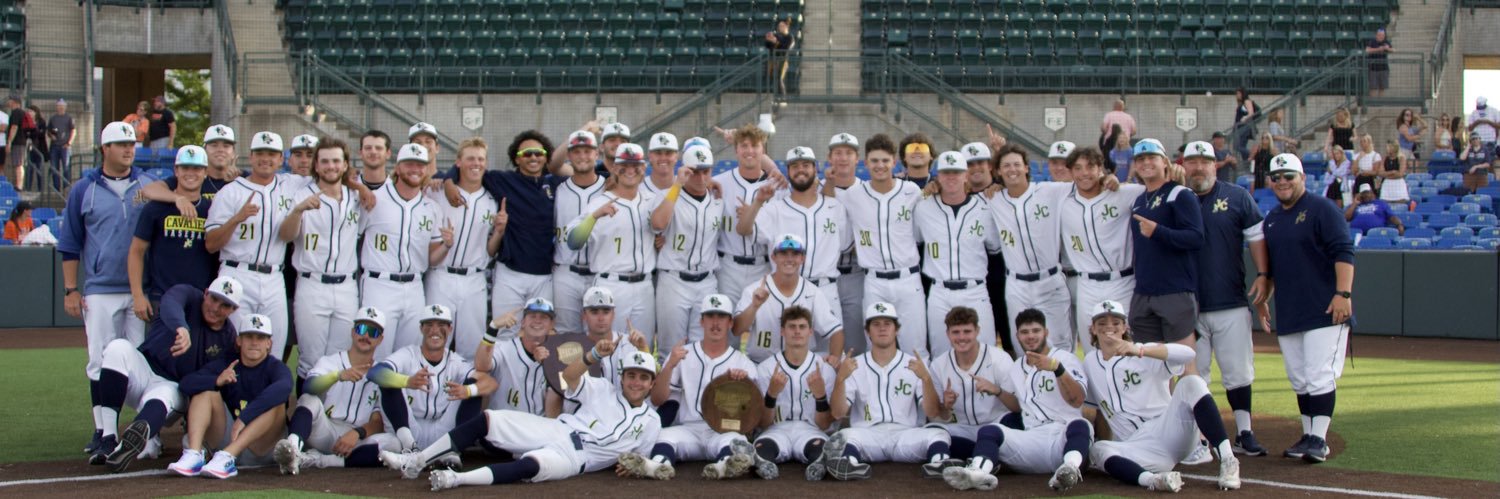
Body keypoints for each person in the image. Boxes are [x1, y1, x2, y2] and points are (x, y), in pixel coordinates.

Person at [379, 337, 661, 491]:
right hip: (559, 429)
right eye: (631, 375)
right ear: (622, 377)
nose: (636, 382)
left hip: (577, 458)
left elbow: (647, 460)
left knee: (531, 466)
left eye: (644, 378)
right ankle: (417, 460)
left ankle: (457, 480)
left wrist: (638, 465)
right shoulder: (603, 388)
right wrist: (593, 356)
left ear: (651, 383)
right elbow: (568, 379)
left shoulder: (651, 421)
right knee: (490, 420)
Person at [1079, 301, 1243, 493]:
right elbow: (1097, 410)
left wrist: (1140, 350)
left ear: (1125, 327)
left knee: (1192, 383)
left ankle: (1228, 460)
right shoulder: (1090, 362)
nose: (1109, 327)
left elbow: (1187, 354)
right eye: (1102, 322)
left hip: (1169, 431)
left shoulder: (1144, 351)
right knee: (1099, 449)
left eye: (1116, 322)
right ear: (1092, 328)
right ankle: (1155, 480)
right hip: (1139, 449)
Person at [60, 122, 154, 456]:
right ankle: (103, 431)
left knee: (141, 361)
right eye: (120, 144)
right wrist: (71, 289)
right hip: (101, 288)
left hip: (141, 289)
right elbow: (70, 243)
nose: (128, 149)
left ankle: (147, 433)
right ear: (105, 149)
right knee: (99, 360)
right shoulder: (84, 189)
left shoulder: (149, 184)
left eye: (131, 144)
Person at [1261, 153, 1355, 464]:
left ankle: (1320, 439)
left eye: (1289, 176)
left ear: (1302, 177)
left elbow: (1344, 251)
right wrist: (1263, 302)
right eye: (1277, 178)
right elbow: (1273, 268)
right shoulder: (1272, 218)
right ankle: (1308, 434)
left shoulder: (1322, 208)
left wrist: (1343, 293)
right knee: (1300, 378)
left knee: (1319, 376)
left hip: (1324, 309)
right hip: (1290, 310)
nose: (1283, 182)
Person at [95, 277, 242, 471]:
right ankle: (109, 438)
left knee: (163, 397)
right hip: (144, 368)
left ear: (233, 310)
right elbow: (169, 304)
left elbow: (193, 382)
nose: (216, 307)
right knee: (117, 348)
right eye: (214, 299)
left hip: (174, 387)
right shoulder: (189, 294)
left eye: (225, 305)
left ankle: (127, 446)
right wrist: (181, 327)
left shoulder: (227, 338)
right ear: (205, 293)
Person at [1183, 140, 1273, 457]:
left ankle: (1244, 432)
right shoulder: (1176, 197)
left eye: (1204, 161)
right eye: (1191, 162)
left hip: (1230, 300)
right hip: (1187, 306)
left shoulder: (1236, 196)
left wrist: (1263, 274)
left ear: (1215, 164)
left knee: (1238, 372)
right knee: (1196, 375)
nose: (1198, 168)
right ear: (1184, 166)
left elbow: (1257, 236)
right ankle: (1202, 436)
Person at [940, 309, 1091, 492]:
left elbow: (1077, 400)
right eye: (1025, 332)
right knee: (991, 430)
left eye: (1036, 330)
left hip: (1063, 438)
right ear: (1017, 336)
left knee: (1081, 424)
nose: (1030, 336)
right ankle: (978, 473)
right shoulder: (1018, 366)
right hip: (1031, 438)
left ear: (1046, 332)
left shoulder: (1064, 359)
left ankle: (1069, 469)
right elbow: (1017, 407)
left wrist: (1057, 369)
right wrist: (997, 391)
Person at [617, 294, 761, 481]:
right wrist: (669, 366)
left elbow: (752, 416)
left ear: (730, 322)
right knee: (663, 436)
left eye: (721, 317)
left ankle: (723, 465)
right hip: (689, 430)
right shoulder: (683, 354)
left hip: (723, 432)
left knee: (737, 441)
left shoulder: (743, 364)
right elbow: (657, 399)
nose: (715, 323)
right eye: (710, 316)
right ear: (701, 321)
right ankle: (658, 466)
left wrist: (744, 385)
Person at [444, 130, 566, 335]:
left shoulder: (557, 184)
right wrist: (447, 182)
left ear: (546, 157)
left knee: (540, 336)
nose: (533, 157)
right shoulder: (501, 180)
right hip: (510, 274)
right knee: (505, 334)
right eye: (526, 154)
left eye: (538, 153)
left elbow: (588, 174)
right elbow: (468, 168)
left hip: (544, 276)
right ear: (516, 159)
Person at [821, 302, 959, 481]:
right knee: (845, 436)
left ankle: (939, 463)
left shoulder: (914, 364)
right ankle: (849, 463)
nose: (882, 329)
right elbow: (838, 413)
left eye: (887, 324)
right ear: (867, 331)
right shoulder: (854, 365)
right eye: (876, 324)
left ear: (897, 329)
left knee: (938, 432)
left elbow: (932, 412)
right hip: (868, 436)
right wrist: (840, 379)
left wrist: (926, 379)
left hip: (905, 436)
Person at [203, 132, 310, 358]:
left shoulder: (292, 185)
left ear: (281, 159)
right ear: (250, 157)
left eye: (271, 154)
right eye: (260, 153)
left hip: (273, 277)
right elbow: (211, 244)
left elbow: (333, 175)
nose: (265, 159)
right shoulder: (230, 191)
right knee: (234, 348)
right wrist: (236, 219)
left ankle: (271, 394)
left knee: (275, 347)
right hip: (236, 273)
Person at [738, 145, 853, 355]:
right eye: (795, 166)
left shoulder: (834, 206)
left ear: (815, 169)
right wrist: (757, 203)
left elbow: (846, 245)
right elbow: (745, 230)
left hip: (826, 288)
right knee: (786, 354)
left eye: (806, 165)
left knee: (834, 355)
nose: (801, 170)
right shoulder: (775, 208)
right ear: (788, 172)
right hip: (788, 290)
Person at [272, 307, 398, 475]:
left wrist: (356, 433)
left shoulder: (381, 372)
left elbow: (377, 421)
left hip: (357, 440)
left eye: (373, 332)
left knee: (394, 443)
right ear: (353, 332)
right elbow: (308, 387)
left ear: (380, 339)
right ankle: (292, 451)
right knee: (308, 399)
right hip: (326, 430)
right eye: (361, 329)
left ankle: (319, 461)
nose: (366, 336)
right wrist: (337, 376)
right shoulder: (331, 362)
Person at [278, 138, 364, 380]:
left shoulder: (355, 197)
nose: (331, 166)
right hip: (311, 283)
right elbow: (285, 236)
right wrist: (298, 211)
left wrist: (363, 189)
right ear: (316, 165)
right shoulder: (301, 195)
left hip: (347, 286)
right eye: (324, 161)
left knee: (340, 359)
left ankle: (331, 417)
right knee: (310, 360)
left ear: (345, 165)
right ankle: (305, 416)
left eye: (336, 161)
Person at [168, 314, 291, 479]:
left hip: (262, 446)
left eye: (260, 338)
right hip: (227, 438)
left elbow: (284, 388)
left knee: (277, 404)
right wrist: (216, 381)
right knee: (206, 390)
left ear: (269, 343)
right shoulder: (228, 364)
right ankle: (194, 454)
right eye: (249, 337)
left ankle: (228, 456)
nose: (254, 342)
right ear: (239, 341)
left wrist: (245, 418)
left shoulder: (276, 367)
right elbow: (186, 384)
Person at [986, 144, 1078, 356]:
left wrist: (1107, 179)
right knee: (1023, 348)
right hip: (1017, 285)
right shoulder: (993, 199)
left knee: (1061, 348)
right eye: (1006, 165)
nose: (1012, 169)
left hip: (1051, 280)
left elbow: (1086, 182)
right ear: (998, 171)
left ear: (1027, 168)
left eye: (1017, 164)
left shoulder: (1050, 191)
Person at [361, 144, 450, 357]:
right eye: (409, 164)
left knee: (408, 356)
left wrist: (446, 246)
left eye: (421, 165)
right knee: (375, 353)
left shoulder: (431, 207)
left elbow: (431, 259)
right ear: (398, 168)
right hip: (379, 284)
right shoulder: (374, 199)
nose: (415, 169)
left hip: (414, 287)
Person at [565, 143, 663, 338]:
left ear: (643, 168)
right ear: (615, 169)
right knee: (606, 349)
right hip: (611, 285)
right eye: (624, 165)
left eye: (635, 165)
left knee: (641, 348)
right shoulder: (600, 202)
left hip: (644, 286)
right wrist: (594, 217)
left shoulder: (651, 200)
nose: (630, 170)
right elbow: (573, 242)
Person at [839, 134, 924, 354]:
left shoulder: (911, 192)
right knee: (875, 348)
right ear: (865, 163)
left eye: (885, 160)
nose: (880, 165)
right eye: (874, 161)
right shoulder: (853, 195)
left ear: (894, 162)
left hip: (908, 278)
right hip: (874, 281)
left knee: (915, 349)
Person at [369, 304, 494, 454]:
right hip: (409, 426)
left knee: (474, 388)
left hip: (444, 431)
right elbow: (375, 373)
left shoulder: (456, 361)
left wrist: (467, 390)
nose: (435, 330)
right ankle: (410, 447)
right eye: (429, 325)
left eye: (441, 325)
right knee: (389, 380)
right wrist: (407, 381)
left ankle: (454, 450)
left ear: (450, 329)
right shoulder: (408, 354)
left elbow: (489, 382)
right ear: (421, 328)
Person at [914, 151, 1001, 356]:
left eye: (957, 172)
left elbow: (994, 249)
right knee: (941, 355)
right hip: (939, 291)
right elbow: (916, 240)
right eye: (946, 173)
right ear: (938, 177)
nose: (951, 177)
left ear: (966, 175)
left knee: (985, 353)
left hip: (975, 289)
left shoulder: (985, 208)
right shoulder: (922, 208)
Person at [1059, 146, 1145, 354]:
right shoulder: (1061, 201)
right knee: (1092, 351)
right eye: (1077, 168)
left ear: (1101, 169)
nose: (1084, 173)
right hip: (1087, 285)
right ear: (1070, 173)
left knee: (1128, 347)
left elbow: (1155, 190)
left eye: (1090, 167)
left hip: (1123, 281)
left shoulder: (1123, 193)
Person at [425, 137, 504, 354]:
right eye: (470, 158)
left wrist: (499, 231)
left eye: (480, 159)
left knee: (470, 347)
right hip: (440, 276)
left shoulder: (492, 199)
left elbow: (490, 250)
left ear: (486, 164)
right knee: (433, 340)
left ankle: (466, 388)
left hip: (475, 279)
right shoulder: (437, 191)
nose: (475, 163)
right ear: (458, 162)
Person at [1128, 139, 1205, 359]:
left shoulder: (1180, 194)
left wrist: (1159, 231)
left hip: (1175, 290)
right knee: (1152, 370)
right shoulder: (1139, 200)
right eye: (1140, 159)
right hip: (1144, 291)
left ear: (1165, 162)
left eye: (1152, 157)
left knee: (1184, 365)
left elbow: (1196, 237)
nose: (1146, 163)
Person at [128, 146, 217, 326]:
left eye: (197, 168)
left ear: (205, 172)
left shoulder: (213, 209)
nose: (190, 173)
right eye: (185, 168)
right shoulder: (156, 207)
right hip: (162, 296)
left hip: (201, 298)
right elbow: (136, 251)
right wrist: (137, 295)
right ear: (176, 170)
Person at [923, 307, 1017, 472]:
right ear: (948, 334)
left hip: (997, 426)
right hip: (964, 430)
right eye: (956, 332)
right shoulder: (939, 365)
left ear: (977, 331)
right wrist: (946, 406)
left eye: (967, 331)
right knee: (931, 431)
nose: (961, 337)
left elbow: (1019, 407)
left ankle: (979, 458)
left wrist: (997, 391)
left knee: (1013, 423)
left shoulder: (999, 358)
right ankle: (942, 463)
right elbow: (939, 416)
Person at [751, 306, 837, 481]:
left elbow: (824, 425)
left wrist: (820, 396)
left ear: (810, 331)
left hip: (811, 430)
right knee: (762, 447)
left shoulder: (825, 370)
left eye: (802, 327)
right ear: (782, 331)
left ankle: (820, 463)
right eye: (792, 327)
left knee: (819, 447)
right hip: (775, 430)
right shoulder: (766, 368)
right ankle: (760, 463)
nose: (797, 331)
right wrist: (771, 395)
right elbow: (763, 423)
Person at [652, 144, 725, 347]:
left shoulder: (718, 200)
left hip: (707, 282)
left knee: (702, 348)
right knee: (670, 348)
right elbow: (657, 223)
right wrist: (677, 185)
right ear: (685, 171)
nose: (701, 178)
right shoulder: (669, 195)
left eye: (706, 172)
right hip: (674, 280)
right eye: (694, 172)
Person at [733, 234, 844, 363]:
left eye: (795, 254)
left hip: (801, 367)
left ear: (802, 258)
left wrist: (835, 359)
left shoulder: (813, 293)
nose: (789, 258)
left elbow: (836, 331)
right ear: (773, 257)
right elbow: (737, 330)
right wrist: (754, 306)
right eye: (783, 253)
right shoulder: (754, 290)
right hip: (760, 363)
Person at [552, 131, 609, 334]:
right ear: (569, 155)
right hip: (565, 272)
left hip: (600, 273)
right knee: (566, 337)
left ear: (597, 154)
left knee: (600, 334)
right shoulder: (557, 188)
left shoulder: (610, 188)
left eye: (587, 151)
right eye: (576, 151)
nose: (582, 156)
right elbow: (552, 163)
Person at [714, 125, 777, 301]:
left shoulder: (777, 187)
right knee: (728, 323)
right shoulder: (718, 183)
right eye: (744, 146)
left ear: (762, 150)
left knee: (761, 325)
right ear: (736, 150)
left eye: (755, 145)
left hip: (762, 266)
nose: (749, 151)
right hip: (727, 267)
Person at [823, 133, 867, 350]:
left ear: (857, 158)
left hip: (856, 272)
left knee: (856, 345)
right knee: (823, 345)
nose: (843, 158)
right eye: (838, 153)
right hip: (824, 274)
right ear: (829, 157)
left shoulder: (868, 190)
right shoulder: (816, 189)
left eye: (848, 153)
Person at [476, 297, 556, 416]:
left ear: (551, 325)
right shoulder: (504, 348)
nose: (537, 321)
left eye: (543, 317)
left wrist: (548, 366)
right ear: (523, 322)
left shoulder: (557, 355)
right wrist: (493, 328)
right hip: (505, 425)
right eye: (532, 316)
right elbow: (481, 365)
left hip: (540, 427)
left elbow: (565, 392)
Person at [764, 17, 796, 97]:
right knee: (775, 78)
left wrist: (776, 42)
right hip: (774, 60)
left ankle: (782, 97)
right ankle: (777, 96)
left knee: (779, 78)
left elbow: (785, 48)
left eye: (782, 26)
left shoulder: (790, 37)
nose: (780, 28)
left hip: (783, 60)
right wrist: (769, 40)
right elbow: (768, 45)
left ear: (786, 27)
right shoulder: (776, 35)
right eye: (779, 26)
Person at [641, 132, 679, 196]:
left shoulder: (687, 188)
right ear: (649, 156)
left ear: (676, 156)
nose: (663, 158)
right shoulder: (637, 189)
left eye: (668, 153)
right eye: (658, 153)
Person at [47, 99, 75, 181]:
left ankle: (66, 188)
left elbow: (73, 130)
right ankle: (56, 188)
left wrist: (69, 143)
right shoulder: (52, 118)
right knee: (54, 167)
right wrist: (51, 135)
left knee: (66, 168)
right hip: (54, 146)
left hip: (65, 146)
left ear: (65, 107)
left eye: (62, 106)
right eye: (59, 106)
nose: (61, 108)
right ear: (56, 107)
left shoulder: (69, 118)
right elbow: (48, 131)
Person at [6, 96, 28, 190]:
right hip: (21, 142)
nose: (8, 103)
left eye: (10, 101)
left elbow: (14, 127)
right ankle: (19, 184)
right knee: (18, 164)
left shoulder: (16, 112)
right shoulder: (22, 113)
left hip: (18, 142)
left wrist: (9, 142)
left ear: (14, 102)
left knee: (18, 164)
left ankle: (19, 185)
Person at [1350, 133, 1382, 199]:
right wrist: (1358, 158)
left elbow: (1375, 172)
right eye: (1361, 141)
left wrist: (1362, 171)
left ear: (1369, 142)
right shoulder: (1356, 156)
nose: (1362, 143)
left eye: (1364, 141)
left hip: (1370, 180)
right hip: (1359, 180)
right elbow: (1353, 171)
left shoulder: (1375, 155)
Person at [1379, 142, 1410, 207]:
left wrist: (1387, 175)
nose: (1387, 149)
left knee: (1400, 203)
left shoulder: (1401, 158)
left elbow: (1400, 174)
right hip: (1387, 184)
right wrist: (1392, 172)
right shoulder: (1384, 158)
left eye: (1389, 147)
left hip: (1398, 184)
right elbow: (1381, 173)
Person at [1365, 28, 1393, 98]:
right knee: (1373, 87)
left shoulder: (1386, 42)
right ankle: (1373, 103)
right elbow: (1367, 50)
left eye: (1383, 35)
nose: (1381, 37)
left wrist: (1387, 48)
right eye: (1380, 35)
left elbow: (1393, 50)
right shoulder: (1372, 42)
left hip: (1384, 68)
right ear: (1376, 35)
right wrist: (1378, 49)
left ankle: (1380, 103)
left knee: (1382, 87)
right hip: (1373, 68)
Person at [1232, 88, 1258, 162]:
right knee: (1240, 146)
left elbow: (1251, 112)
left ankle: (1252, 155)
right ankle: (1246, 161)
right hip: (1239, 127)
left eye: (1239, 93)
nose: (1237, 95)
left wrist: (1244, 118)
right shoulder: (1240, 103)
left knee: (1238, 146)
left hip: (1245, 127)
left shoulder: (1247, 101)